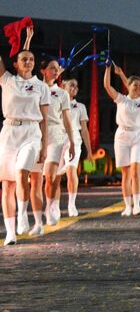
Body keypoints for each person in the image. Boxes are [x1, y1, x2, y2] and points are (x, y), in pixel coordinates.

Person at [2, 27, 49, 243]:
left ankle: (22, 213)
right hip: (10, 131)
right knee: (8, 184)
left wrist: (45, 146)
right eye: (23, 59)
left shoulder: (40, 86)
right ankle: (11, 231)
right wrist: (26, 39)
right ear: (15, 64)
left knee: (22, 172)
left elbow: (45, 120)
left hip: (32, 132)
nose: (28, 62)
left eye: (31, 59)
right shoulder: (7, 80)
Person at [103, 62, 140, 217]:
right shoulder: (121, 100)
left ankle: (137, 205)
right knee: (126, 173)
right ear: (129, 86)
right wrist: (107, 68)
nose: (139, 88)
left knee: (135, 170)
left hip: (139, 136)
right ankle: (127, 205)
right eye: (136, 86)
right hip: (122, 136)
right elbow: (107, 86)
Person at [38, 57, 77, 227]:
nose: (55, 71)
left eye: (56, 68)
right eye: (51, 68)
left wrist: (73, 142)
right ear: (43, 70)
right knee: (37, 177)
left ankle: (51, 205)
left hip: (55, 134)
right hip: (35, 133)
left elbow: (67, 120)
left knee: (51, 177)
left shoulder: (62, 93)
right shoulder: (35, 89)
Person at [59, 78, 92, 217]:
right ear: (63, 87)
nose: (74, 88)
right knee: (53, 177)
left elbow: (84, 130)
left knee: (71, 171)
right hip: (58, 140)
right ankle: (53, 205)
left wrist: (89, 152)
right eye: (71, 85)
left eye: (76, 86)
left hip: (75, 141)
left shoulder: (80, 107)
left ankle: (71, 204)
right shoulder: (55, 103)